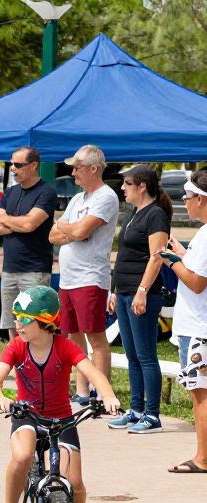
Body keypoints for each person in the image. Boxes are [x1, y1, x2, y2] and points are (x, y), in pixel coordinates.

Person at [0, 286, 120, 503]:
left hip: (61, 418)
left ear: (45, 321)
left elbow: (94, 374)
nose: (18, 324)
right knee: (22, 457)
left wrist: (107, 396)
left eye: (23, 319)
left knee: (75, 481)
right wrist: (0, 397)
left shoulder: (64, 346)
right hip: (27, 415)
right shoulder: (16, 346)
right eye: (16, 318)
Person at [49, 145, 120, 403]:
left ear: (93, 168)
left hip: (90, 278)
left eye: (77, 167)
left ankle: (103, 395)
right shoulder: (78, 199)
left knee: (95, 337)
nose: (73, 171)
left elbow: (81, 232)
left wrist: (71, 229)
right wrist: (73, 228)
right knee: (74, 336)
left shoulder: (106, 196)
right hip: (68, 278)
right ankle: (82, 391)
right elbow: (52, 234)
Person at [107, 164, 172, 434]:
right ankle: (135, 410)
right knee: (131, 355)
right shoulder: (133, 212)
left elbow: (156, 257)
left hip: (142, 294)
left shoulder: (155, 215)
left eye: (127, 183)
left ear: (142, 185)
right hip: (123, 292)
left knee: (146, 356)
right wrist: (114, 290)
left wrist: (142, 291)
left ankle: (153, 416)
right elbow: (123, 254)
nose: (122, 188)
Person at [160, 171, 207, 472]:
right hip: (198, 326)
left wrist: (173, 262)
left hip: (198, 328)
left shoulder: (206, 234)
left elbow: (197, 282)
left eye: (187, 197)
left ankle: (202, 458)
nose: (184, 202)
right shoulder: (202, 236)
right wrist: (183, 253)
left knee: (200, 396)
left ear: (201, 199)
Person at [0, 146, 57, 338]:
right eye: (12, 164)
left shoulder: (46, 192)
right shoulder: (10, 192)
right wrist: (21, 221)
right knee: (13, 325)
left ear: (34, 165)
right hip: (9, 269)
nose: (13, 169)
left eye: (18, 165)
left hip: (35, 270)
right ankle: (19, 367)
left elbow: (30, 224)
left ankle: (36, 366)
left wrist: (10, 219)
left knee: (34, 326)